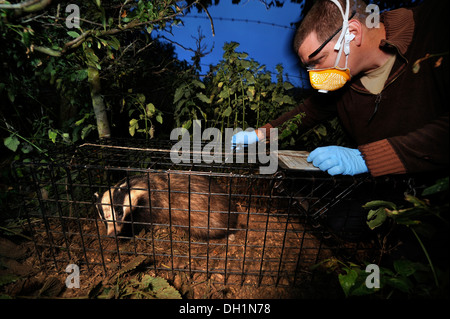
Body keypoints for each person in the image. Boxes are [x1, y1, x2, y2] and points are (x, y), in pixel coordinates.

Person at [232, 0, 449, 177]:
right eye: (308, 66)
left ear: (352, 33)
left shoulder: (436, 27)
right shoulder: (344, 79)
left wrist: (368, 158)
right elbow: (308, 112)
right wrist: (261, 134)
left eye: (319, 60)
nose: (314, 74)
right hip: (378, 194)